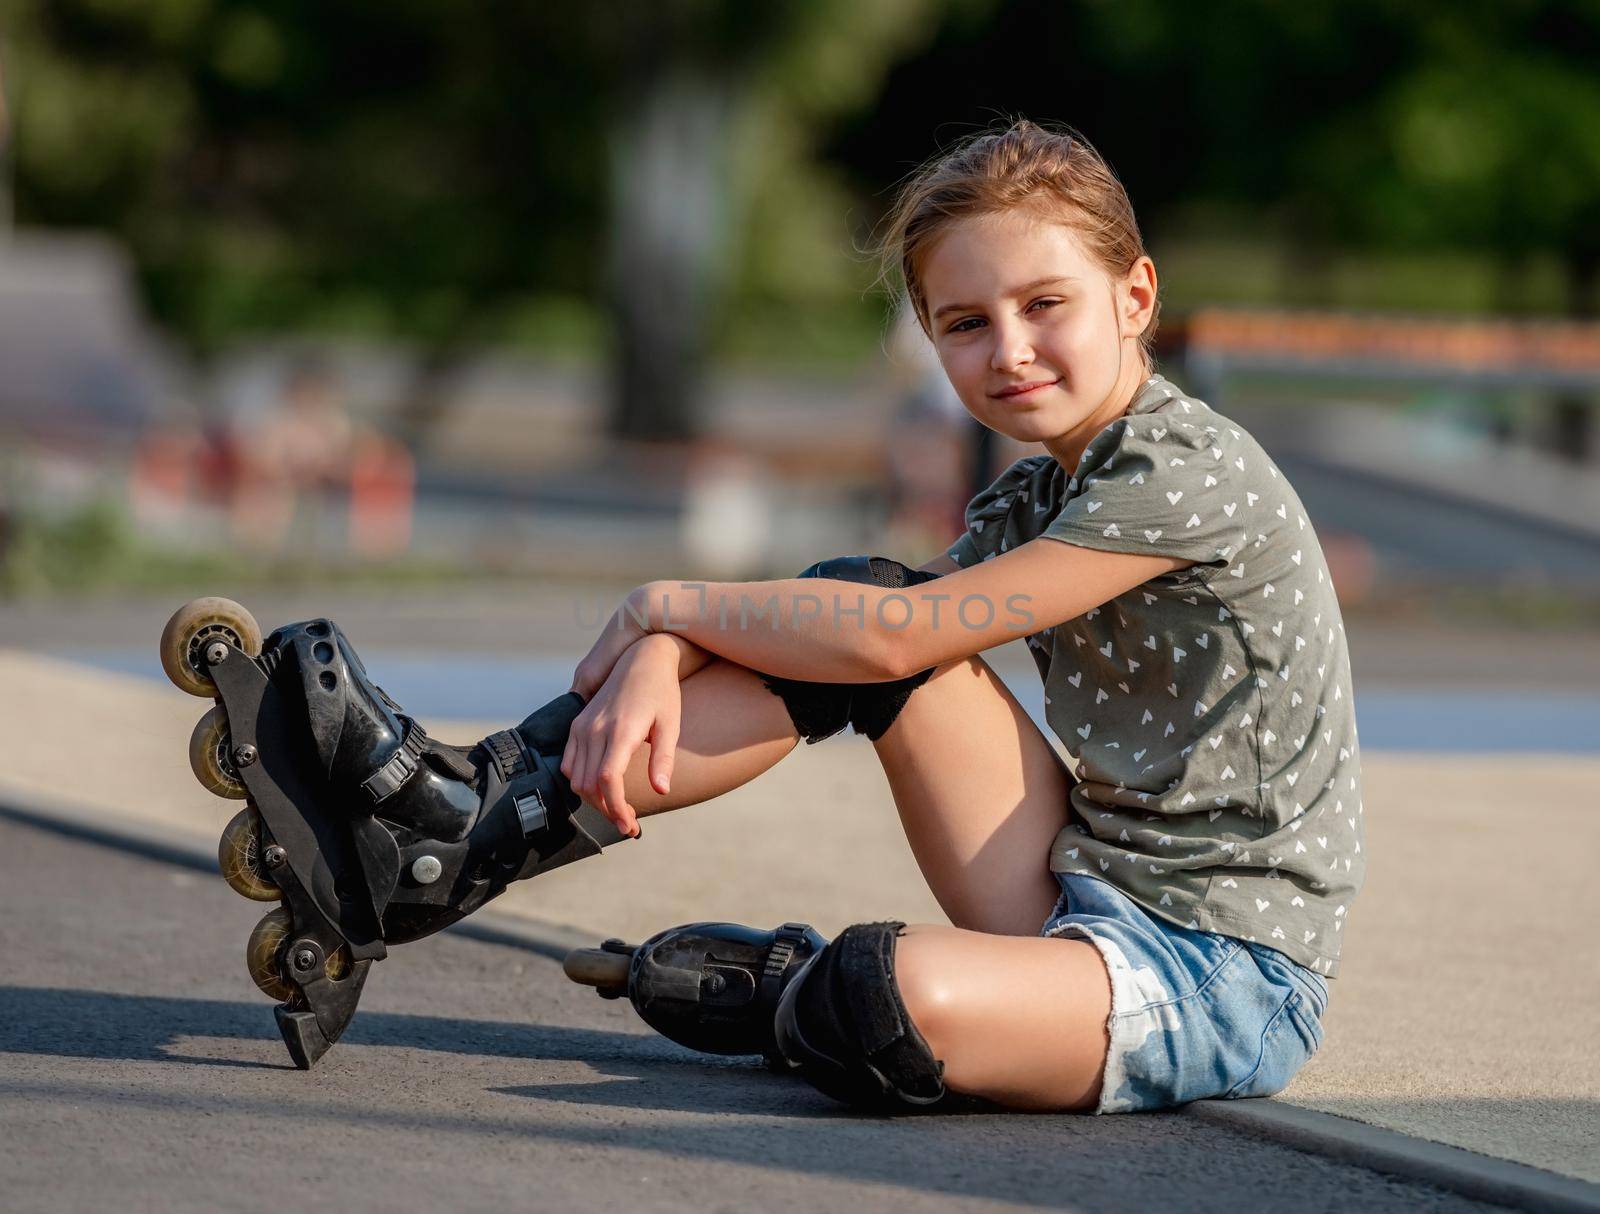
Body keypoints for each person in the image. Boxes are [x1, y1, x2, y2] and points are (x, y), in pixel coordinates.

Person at [558, 119, 1361, 1114]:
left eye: (1043, 304)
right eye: (966, 322)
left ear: (1135, 296)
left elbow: (892, 637)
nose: (1009, 349)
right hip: (1065, 882)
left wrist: (657, 604)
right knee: (867, 598)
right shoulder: (1033, 494)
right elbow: (852, 629)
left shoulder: (1187, 472)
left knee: (875, 986)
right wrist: (664, 643)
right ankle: (477, 814)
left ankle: (800, 994)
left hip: (1218, 973)